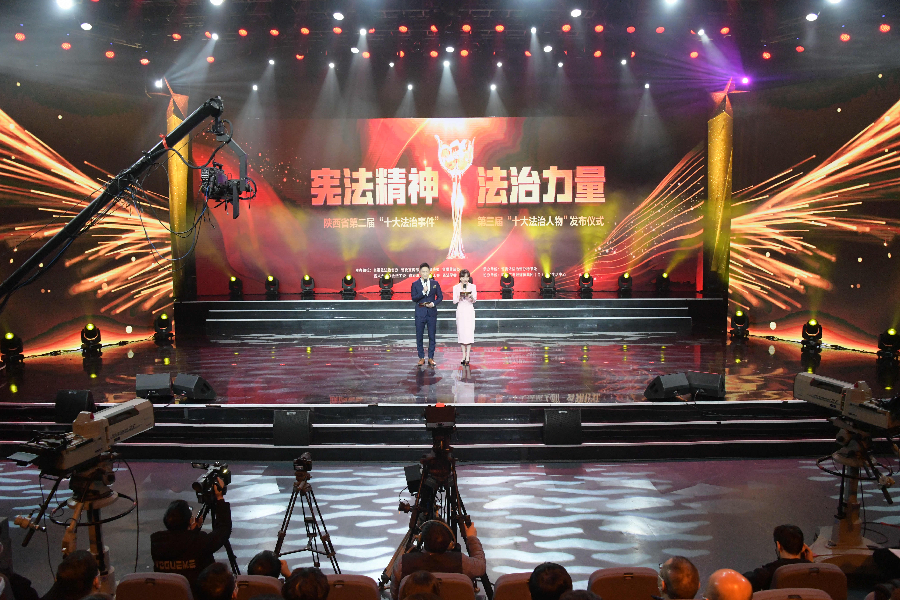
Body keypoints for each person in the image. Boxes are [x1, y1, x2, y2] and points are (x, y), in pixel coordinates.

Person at [150, 477, 232, 587]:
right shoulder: (200, 542)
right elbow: (223, 530)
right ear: (189, 521)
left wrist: (193, 531)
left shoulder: (157, 543)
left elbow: (180, 546)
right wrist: (220, 498)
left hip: (168, 593)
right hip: (197, 593)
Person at [390, 519, 485, 600]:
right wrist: (472, 538)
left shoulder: (402, 563)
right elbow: (480, 566)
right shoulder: (462, 561)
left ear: (421, 538)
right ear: (450, 544)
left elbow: (395, 595)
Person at [742, 524, 812, 592]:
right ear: (803, 547)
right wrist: (810, 564)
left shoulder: (768, 572)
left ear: (779, 545)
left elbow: (741, 583)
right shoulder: (813, 571)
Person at [411, 263, 443, 366]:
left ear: (429, 272)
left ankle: (430, 357)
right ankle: (421, 357)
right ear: (420, 272)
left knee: (432, 336)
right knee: (419, 336)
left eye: (426, 271)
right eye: (423, 271)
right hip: (420, 312)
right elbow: (414, 298)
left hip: (431, 313)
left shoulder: (435, 283)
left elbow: (440, 297)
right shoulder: (415, 284)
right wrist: (423, 292)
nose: (425, 273)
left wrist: (433, 303)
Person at [452, 269, 476, 366]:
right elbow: (454, 301)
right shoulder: (456, 287)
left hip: (469, 311)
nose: (465, 279)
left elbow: (474, 300)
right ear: (460, 278)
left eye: (467, 277)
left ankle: (468, 356)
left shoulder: (472, 286)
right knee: (461, 332)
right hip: (461, 311)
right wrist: (459, 297)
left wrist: (471, 296)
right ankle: (463, 356)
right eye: (463, 277)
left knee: (469, 332)